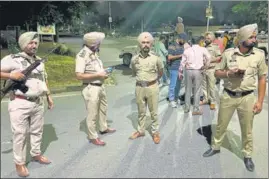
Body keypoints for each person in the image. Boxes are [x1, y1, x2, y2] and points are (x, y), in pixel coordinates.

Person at [203, 24, 268, 172]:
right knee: (221, 124)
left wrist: (259, 101)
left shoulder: (259, 55)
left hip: (247, 97)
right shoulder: (228, 53)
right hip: (228, 95)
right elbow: (217, 72)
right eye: (251, 37)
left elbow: (262, 79)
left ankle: (247, 155)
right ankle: (215, 147)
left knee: (247, 129)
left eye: (255, 37)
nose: (254, 39)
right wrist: (228, 74)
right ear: (242, 39)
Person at [0, 31, 54, 177]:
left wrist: (48, 96)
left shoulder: (40, 61)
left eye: (36, 43)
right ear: (24, 44)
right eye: (31, 42)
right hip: (20, 102)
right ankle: (19, 163)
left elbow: (44, 79)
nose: (34, 45)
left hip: (38, 102)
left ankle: (36, 154)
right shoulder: (12, 59)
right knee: (20, 134)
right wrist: (11, 75)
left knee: (37, 131)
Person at [75, 32, 116, 146]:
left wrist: (104, 72)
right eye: (99, 42)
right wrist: (98, 76)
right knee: (92, 113)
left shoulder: (94, 53)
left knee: (103, 108)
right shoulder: (82, 55)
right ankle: (93, 136)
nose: (100, 44)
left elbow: (96, 70)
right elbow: (79, 75)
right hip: (91, 87)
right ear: (93, 43)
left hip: (100, 86)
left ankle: (103, 127)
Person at [130, 32, 164, 144]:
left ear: (151, 44)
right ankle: (141, 131)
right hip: (139, 87)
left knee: (154, 112)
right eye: (143, 42)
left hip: (152, 87)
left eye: (148, 42)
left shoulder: (156, 58)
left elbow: (161, 72)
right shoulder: (134, 59)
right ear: (139, 44)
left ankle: (155, 132)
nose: (145, 44)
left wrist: (153, 80)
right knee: (141, 111)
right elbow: (134, 72)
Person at [178, 39, 211, 115]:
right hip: (198, 71)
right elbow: (209, 58)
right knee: (197, 90)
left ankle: (187, 108)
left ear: (191, 43)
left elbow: (182, 62)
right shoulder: (203, 49)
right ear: (200, 42)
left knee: (188, 89)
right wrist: (206, 66)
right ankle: (195, 109)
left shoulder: (187, 50)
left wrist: (180, 72)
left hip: (188, 71)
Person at [200, 32, 222, 110]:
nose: (207, 39)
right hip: (203, 69)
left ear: (212, 39)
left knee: (211, 87)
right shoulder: (202, 47)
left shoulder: (215, 47)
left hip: (211, 69)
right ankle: (206, 99)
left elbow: (219, 57)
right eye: (206, 38)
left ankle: (212, 102)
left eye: (209, 38)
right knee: (204, 86)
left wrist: (209, 60)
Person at [167, 33, 186, 108]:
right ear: (179, 38)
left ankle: (176, 98)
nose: (184, 42)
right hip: (174, 68)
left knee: (178, 85)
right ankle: (171, 100)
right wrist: (181, 55)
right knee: (173, 85)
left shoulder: (182, 46)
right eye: (183, 40)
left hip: (181, 69)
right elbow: (169, 57)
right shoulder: (172, 45)